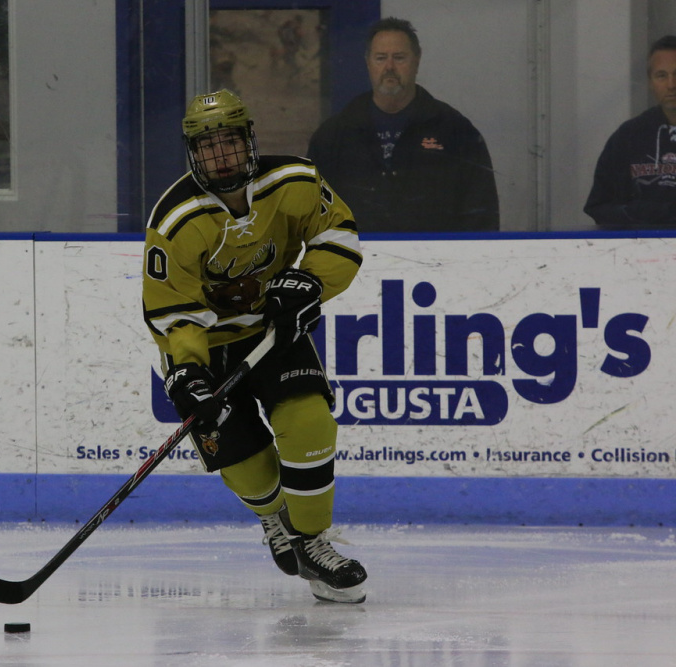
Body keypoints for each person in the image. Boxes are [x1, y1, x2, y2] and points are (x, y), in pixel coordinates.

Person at [141, 89, 367, 603]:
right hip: (210, 346)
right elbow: (173, 310)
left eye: (229, 142)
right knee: (244, 461)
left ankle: (311, 541)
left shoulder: (294, 180)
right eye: (207, 147)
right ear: (192, 154)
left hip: (274, 330)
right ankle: (274, 518)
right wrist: (188, 372)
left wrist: (308, 281)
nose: (220, 156)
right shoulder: (175, 219)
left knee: (309, 421)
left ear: (249, 141)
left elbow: (340, 234)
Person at [306, 17, 499, 232]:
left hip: (437, 263)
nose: (389, 67)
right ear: (367, 63)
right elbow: (311, 217)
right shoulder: (333, 137)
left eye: (399, 58)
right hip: (353, 263)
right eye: (380, 58)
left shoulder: (457, 133)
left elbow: (482, 219)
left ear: (417, 61)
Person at [584, 35, 676, 227]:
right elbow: (599, 208)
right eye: (661, 75)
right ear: (650, 82)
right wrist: (646, 214)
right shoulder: (628, 136)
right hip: (636, 252)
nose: (671, 85)